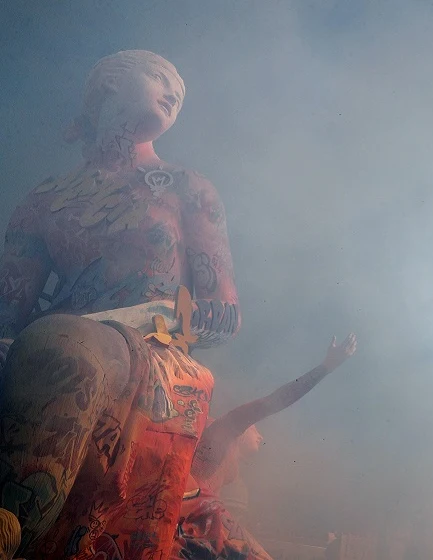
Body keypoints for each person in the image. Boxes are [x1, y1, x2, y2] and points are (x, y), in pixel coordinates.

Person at [0, 50, 240, 558]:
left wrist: (187, 319)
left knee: (60, 346)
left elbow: (223, 313)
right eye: (160, 76)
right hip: (54, 340)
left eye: (181, 91)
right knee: (46, 345)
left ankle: (14, 529)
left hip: (150, 351)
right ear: (109, 84)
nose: (175, 92)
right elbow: (7, 311)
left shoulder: (188, 188)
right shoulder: (45, 198)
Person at [174, 334, 358, 560]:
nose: (261, 435)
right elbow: (274, 401)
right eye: (255, 427)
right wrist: (325, 368)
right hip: (185, 514)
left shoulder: (230, 467)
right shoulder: (223, 431)